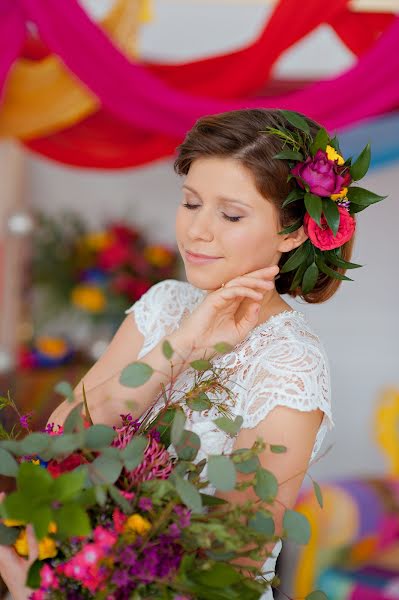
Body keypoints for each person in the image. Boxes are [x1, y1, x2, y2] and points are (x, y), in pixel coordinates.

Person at [0, 108, 380, 599]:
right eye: (191, 203)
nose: (198, 231)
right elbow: (62, 439)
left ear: (293, 233)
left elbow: (232, 564)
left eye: (231, 214)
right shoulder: (164, 304)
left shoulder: (290, 364)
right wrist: (180, 347)